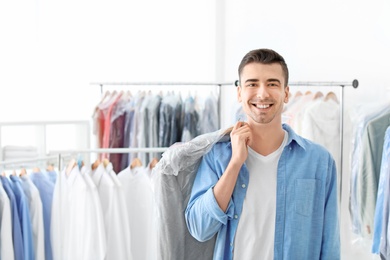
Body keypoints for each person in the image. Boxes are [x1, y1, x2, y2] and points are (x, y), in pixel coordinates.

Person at [185, 48, 340, 259]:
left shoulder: (319, 162)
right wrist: (235, 164)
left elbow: (330, 245)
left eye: (272, 84)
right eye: (252, 84)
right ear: (239, 92)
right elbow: (199, 228)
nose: (262, 93)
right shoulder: (217, 156)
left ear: (286, 93)